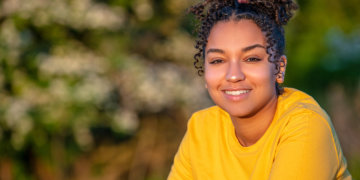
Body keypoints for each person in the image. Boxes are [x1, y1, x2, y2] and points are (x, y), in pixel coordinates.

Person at [168, 0, 353, 179]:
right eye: (218, 61)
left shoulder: (305, 125)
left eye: (251, 59)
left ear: (279, 68)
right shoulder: (201, 128)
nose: (233, 75)